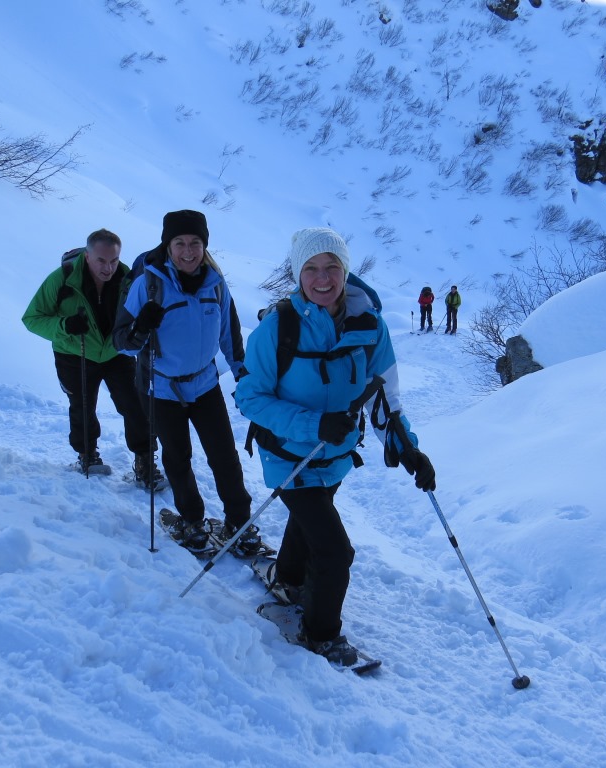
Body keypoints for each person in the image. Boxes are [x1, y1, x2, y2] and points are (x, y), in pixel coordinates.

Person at [235, 227, 436, 667]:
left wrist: (407, 449)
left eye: (331, 267)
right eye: (311, 268)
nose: (322, 278)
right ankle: (321, 635)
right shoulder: (277, 327)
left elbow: (384, 397)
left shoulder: (370, 325)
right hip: (288, 456)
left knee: (309, 520)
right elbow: (249, 397)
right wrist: (314, 424)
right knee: (334, 551)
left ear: (346, 270)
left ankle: (289, 580)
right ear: (297, 274)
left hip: (336, 457)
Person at [113, 209, 262, 556]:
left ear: (204, 245)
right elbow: (122, 342)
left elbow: (229, 335)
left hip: (206, 385)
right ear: (168, 245)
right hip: (162, 388)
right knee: (177, 458)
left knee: (225, 457)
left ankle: (239, 523)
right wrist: (140, 327)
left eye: (195, 242)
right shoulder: (148, 285)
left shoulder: (216, 283)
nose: (188, 251)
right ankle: (193, 521)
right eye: (179, 243)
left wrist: (242, 373)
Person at [22, 228, 161, 485]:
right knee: (82, 406)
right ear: (87, 256)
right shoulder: (62, 279)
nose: (108, 268)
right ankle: (87, 454)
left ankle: (144, 459)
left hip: (116, 352)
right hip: (74, 353)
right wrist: (64, 326)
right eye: (101, 260)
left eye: (114, 260)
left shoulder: (128, 280)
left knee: (135, 405)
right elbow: (32, 318)